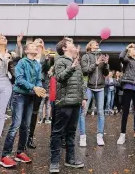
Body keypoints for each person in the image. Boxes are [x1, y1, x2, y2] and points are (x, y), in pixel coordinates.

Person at [0, 42, 45, 168]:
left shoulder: (37, 64)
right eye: (33, 46)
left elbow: (38, 80)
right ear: (26, 50)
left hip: (30, 96)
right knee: (16, 125)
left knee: (26, 126)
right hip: (19, 96)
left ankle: (20, 152)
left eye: (37, 46)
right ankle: (5, 155)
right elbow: (19, 80)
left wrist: (39, 88)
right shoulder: (22, 63)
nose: (36, 47)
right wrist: (33, 87)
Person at [50, 38, 86, 173]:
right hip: (64, 102)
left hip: (76, 102)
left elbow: (81, 82)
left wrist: (83, 97)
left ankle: (70, 160)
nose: (73, 45)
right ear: (64, 48)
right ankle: (54, 162)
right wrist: (71, 68)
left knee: (71, 132)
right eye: (70, 43)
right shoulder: (60, 60)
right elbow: (59, 77)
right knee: (58, 132)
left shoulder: (75, 62)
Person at [79, 40, 109, 147]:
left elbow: (105, 73)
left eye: (98, 43)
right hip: (88, 87)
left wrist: (106, 64)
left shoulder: (102, 56)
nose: (97, 44)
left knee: (101, 112)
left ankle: (100, 135)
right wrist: (95, 64)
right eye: (94, 43)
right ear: (90, 46)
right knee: (83, 113)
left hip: (100, 88)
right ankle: (82, 136)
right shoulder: (86, 56)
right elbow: (84, 71)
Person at [28, 38, 51, 149]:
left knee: (34, 112)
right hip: (28, 85)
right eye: (37, 41)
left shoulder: (45, 56)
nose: (39, 43)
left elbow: (47, 71)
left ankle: (30, 137)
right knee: (26, 111)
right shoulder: (29, 56)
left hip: (40, 84)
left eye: (41, 41)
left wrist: (47, 59)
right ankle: (24, 136)